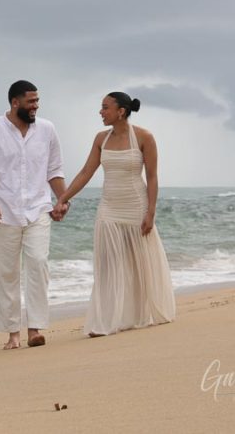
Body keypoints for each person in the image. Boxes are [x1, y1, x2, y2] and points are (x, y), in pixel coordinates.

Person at [54, 92, 175, 336]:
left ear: (121, 111)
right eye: (101, 107)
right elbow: (86, 171)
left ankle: (138, 313)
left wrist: (151, 213)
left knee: (139, 262)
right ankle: (105, 321)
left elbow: (152, 176)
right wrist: (63, 198)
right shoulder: (101, 138)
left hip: (136, 206)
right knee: (108, 265)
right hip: (108, 207)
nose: (101, 112)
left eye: (105, 107)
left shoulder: (144, 137)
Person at [0, 80, 67, 350]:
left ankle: (35, 329)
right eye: (31, 101)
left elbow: (54, 170)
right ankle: (13, 333)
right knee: (7, 273)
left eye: (37, 101)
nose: (36, 106)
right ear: (15, 102)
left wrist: (62, 200)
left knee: (38, 263)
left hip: (38, 208)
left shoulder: (47, 129)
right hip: (3, 212)